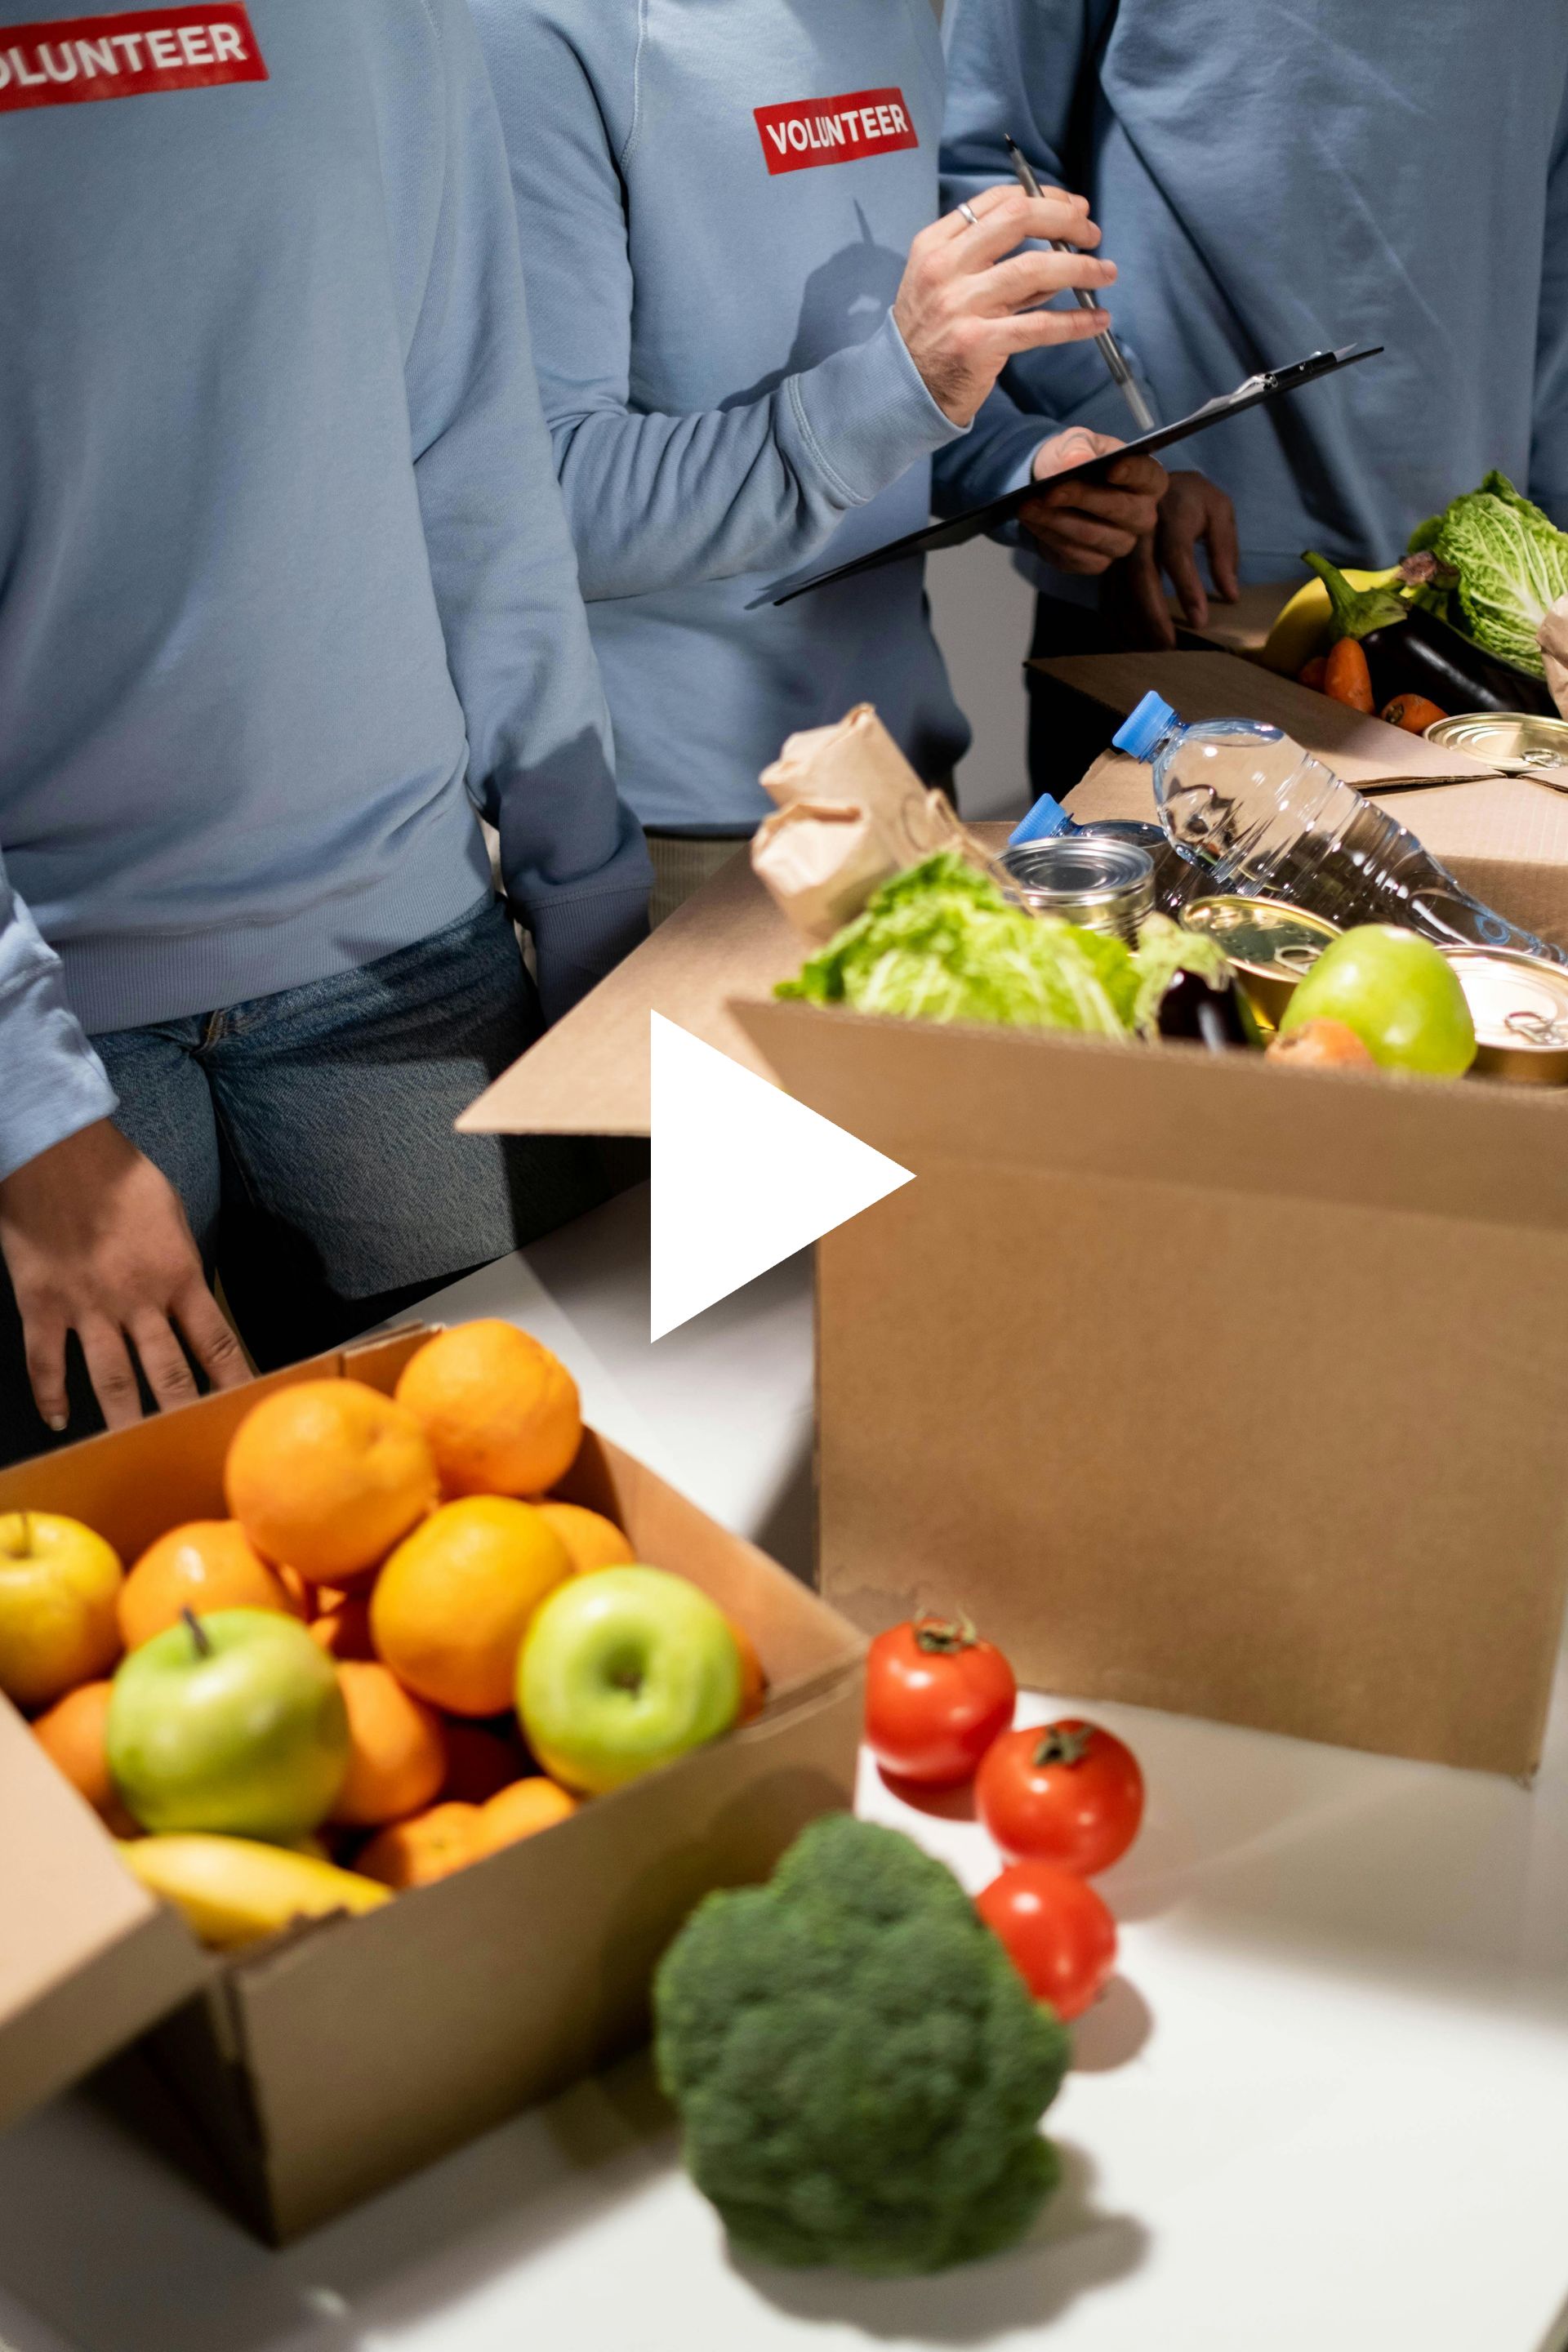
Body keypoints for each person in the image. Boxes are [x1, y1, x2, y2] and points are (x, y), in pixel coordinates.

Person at [0, 0, 650, 1468]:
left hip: (406, 966)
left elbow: (471, 450)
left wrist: (590, 906)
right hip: (52, 1014)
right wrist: (21, 1108)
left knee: (499, 1557)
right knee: (106, 1633)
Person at [469, 0, 1169, 920]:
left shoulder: (891, 13)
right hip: (674, 832)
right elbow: (548, 504)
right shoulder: (530, 32)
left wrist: (1016, 464)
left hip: (903, 781)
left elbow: (867, 376)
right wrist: (903, 382)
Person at [942, 0, 1568, 658]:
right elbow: (983, 177)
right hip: (1188, 586)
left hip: (1494, 602)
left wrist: (1549, 542)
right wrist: (1121, 447)